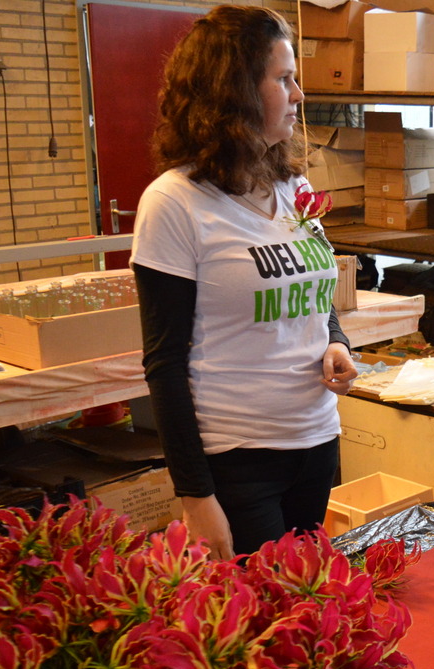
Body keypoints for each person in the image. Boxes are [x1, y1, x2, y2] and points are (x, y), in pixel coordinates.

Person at [131, 5, 356, 560]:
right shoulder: (174, 203)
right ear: (233, 93)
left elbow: (315, 294)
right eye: (283, 79)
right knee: (260, 605)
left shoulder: (294, 188)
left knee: (306, 598)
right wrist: (195, 495)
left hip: (317, 441)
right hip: (239, 458)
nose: (299, 95)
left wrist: (335, 340)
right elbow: (164, 362)